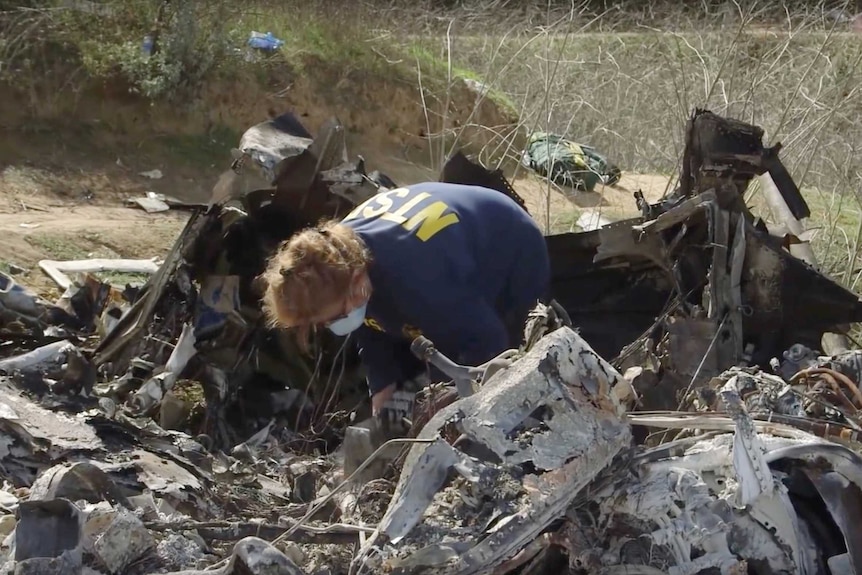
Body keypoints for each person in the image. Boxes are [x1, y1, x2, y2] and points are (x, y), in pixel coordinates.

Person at [260, 181, 551, 417]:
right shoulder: (339, 256)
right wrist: (383, 387)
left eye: (331, 318)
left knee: (506, 371)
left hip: (510, 246)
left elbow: (486, 344)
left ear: (357, 282)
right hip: (444, 247)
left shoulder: (420, 279)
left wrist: (440, 406)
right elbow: (371, 327)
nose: (326, 325)